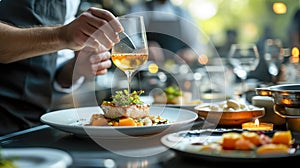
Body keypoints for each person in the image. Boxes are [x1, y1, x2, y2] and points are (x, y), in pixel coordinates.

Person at [0, 0, 122, 135]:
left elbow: (57, 71)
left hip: (32, 124)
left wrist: (78, 67)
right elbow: (64, 36)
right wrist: (61, 36)